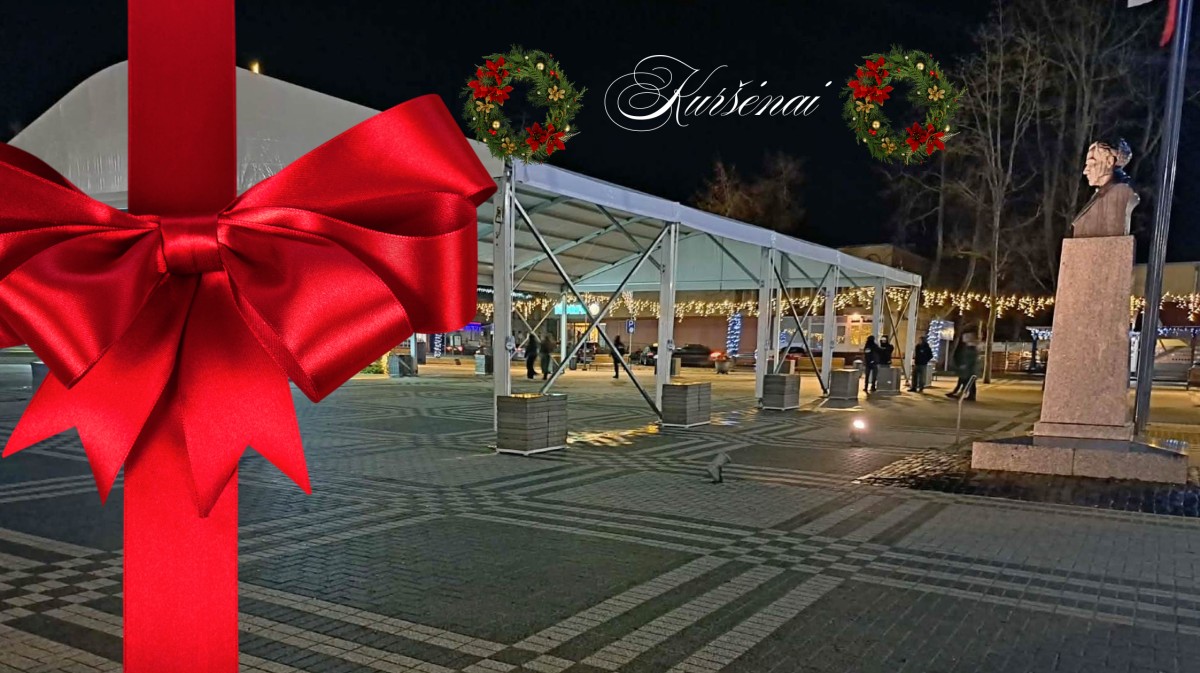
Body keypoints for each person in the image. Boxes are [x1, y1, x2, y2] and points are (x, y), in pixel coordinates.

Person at [946, 333, 978, 401]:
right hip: (968, 369)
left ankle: (964, 394)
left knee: (967, 382)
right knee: (966, 382)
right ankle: (964, 394)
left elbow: (970, 358)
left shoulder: (971, 348)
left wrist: (964, 365)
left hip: (968, 370)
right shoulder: (968, 347)